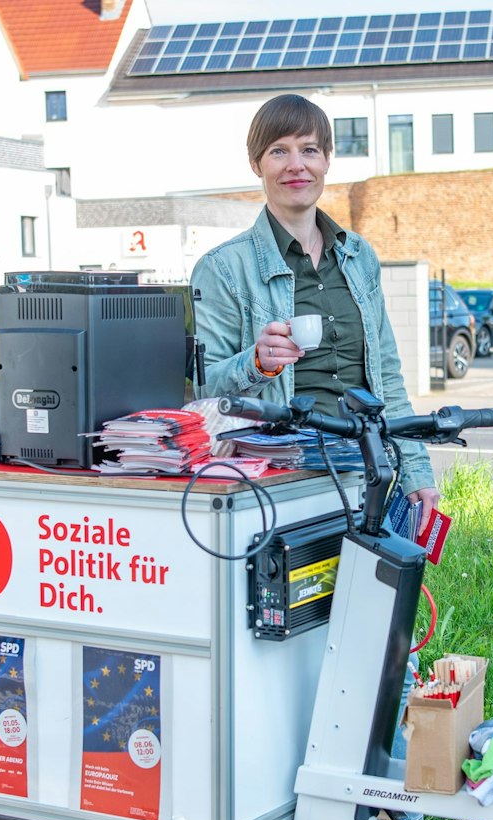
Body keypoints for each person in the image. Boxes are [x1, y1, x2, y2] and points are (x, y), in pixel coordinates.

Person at [192, 94, 440, 532]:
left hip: (368, 468)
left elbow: (386, 374)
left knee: (385, 578)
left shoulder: (359, 255)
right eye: (278, 151)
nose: (296, 165)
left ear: (327, 159)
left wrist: (416, 470)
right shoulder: (223, 268)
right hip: (281, 478)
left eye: (309, 149)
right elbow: (199, 389)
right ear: (256, 164)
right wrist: (256, 363)